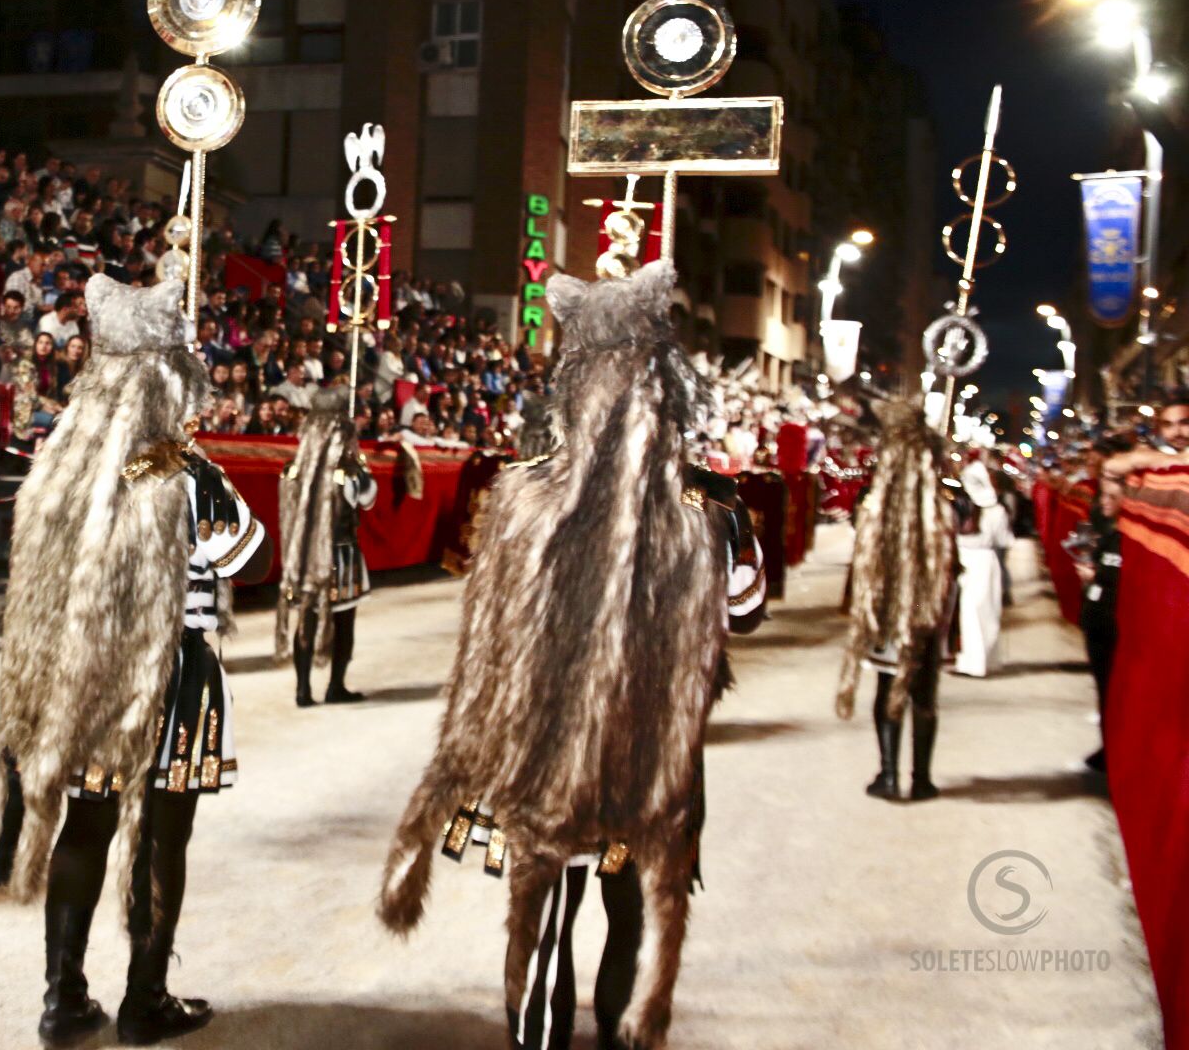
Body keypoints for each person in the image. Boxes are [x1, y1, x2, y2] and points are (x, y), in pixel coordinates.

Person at [379, 263, 755, 1050]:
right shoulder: (713, 502)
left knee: (545, 914)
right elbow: (744, 618)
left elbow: (487, 636)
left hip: (542, 750)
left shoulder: (524, 493)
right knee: (625, 910)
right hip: (651, 759)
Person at [0, 274, 271, 1048]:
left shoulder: (62, 458)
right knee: (160, 837)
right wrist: (205, 480)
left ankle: (62, 997)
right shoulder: (183, 471)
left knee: (85, 824)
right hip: (169, 679)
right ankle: (146, 998)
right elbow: (250, 558)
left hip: (80, 674)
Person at [838, 399, 959, 803]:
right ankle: (920, 778)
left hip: (890, 607)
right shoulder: (942, 505)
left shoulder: (876, 504)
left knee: (890, 680)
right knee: (923, 689)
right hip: (927, 608)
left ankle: (890, 775)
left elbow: (863, 561)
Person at [277, 387, 378, 707]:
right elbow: (369, 499)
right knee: (344, 621)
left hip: (302, 555)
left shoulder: (293, 469)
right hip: (339, 556)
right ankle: (336, 685)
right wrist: (359, 466)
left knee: (306, 618)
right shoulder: (348, 474)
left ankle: (303, 689)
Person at [1074, 471, 1124, 774]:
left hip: (1112, 625)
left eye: (1111, 497)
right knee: (1103, 691)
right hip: (1095, 621)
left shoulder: (1126, 538)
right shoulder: (1104, 529)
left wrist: (1096, 576)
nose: (1104, 502)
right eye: (1102, 495)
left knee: (1112, 693)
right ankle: (1107, 747)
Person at [951, 458, 1011, 678]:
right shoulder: (996, 510)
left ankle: (975, 663)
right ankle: (983, 660)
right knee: (984, 614)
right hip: (985, 562)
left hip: (975, 563)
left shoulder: (976, 509)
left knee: (973, 614)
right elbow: (1004, 540)